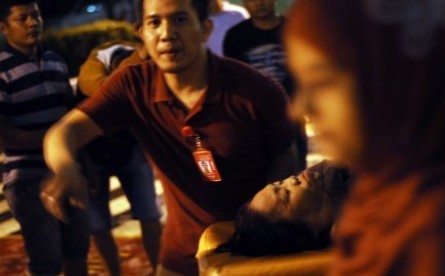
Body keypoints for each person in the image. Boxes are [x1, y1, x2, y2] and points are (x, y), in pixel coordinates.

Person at [40, 0, 299, 274]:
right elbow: (64, 131)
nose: (166, 33)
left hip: (254, 253)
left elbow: (286, 154)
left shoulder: (256, 90)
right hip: (182, 253)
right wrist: (66, 169)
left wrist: (266, 223)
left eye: (180, 20)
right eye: (154, 22)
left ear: (205, 29)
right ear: (141, 32)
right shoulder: (133, 85)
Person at [284, 0, 445, 275]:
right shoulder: (384, 191)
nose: (299, 110)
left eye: (320, 82)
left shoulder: (436, 235)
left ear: (402, 81)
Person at [0, 0, 89, 275]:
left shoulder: (56, 61)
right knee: (46, 261)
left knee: (78, 252)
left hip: (67, 172)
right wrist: (56, 139)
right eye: (22, 18)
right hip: (27, 180)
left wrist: (85, 163)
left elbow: (72, 116)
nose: (32, 23)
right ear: (3, 27)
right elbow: (6, 137)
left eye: (36, 15)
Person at [78, 38, 162, 275]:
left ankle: (159, 269)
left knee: (149, 213)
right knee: (98, 223)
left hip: (131, 149)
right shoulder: (93, 76)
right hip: (94, 152)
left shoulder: (150, 71)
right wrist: (84, 165)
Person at [223, 0, 307, 170]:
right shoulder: (236, 37)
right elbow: (233, 80)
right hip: (254, 120)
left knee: (299, 176)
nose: (259, 3)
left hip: (292, 115)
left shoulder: (294, 30)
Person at [217, 161, 351, 256]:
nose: (292, 179)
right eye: (286, 194)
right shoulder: (358, 225)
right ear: (302, 235)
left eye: (280, 183)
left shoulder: (330, 176)